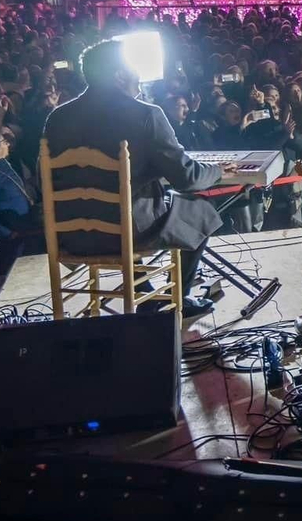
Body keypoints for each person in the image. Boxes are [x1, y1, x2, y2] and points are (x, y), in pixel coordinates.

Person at [42, 39, 226, 317]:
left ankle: (147, 294)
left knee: (142, 206)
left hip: (71, 235)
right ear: (119, 75)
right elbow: (186, 178)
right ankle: (179, 298)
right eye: (134, 68)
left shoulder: (58, 117)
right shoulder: (146, 114)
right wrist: (219, 170)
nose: (139, 75)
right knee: (200, 209)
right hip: (124, 234)